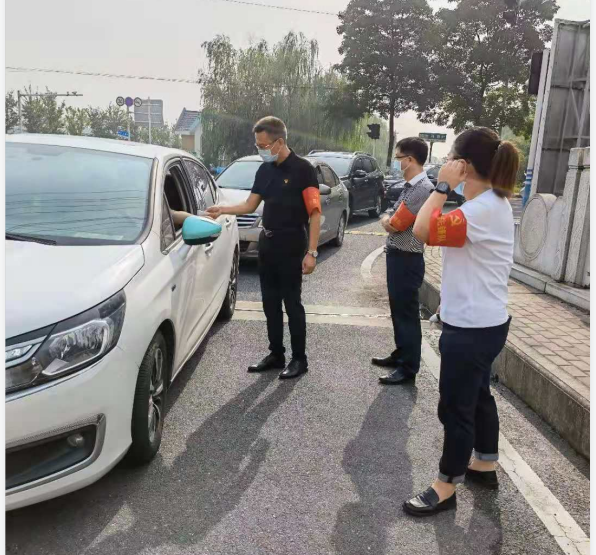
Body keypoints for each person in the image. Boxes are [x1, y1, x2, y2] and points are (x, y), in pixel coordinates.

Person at [403, 127, 519, 517]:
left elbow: (421, 230)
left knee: (455, 407)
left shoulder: (480, 211)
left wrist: (441, 187)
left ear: (464, 166)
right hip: (486, 323)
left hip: (471, 330)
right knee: (479, 394)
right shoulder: (490, 204)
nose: (447, 163)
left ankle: (445, 485)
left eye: (453, 158)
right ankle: (484, 464)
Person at [207, 116, 321, 380]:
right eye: (257, 145)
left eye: (263, 145)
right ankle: (276, 353)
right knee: (269, 302)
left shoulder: (303, 170)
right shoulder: (265, 170)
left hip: (292, 242)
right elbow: (250, 205)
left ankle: (299, 359)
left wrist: (312, 252)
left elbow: (315, 213)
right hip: (267, 242)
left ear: (279, 142)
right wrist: (222, 210)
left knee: (292, 302)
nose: (260, 150)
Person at [373, 137, 434, 385]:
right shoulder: (410, 186)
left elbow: (395, 224)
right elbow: (390, 213)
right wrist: (388, 218)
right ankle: (401, 354)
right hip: (398, 257)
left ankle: (408, 367)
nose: (397, 163)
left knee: (407, 314)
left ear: (410, 160)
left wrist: (387, 219)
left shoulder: (422, 189)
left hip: (407, 259)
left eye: (398, 158)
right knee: (397, 310)